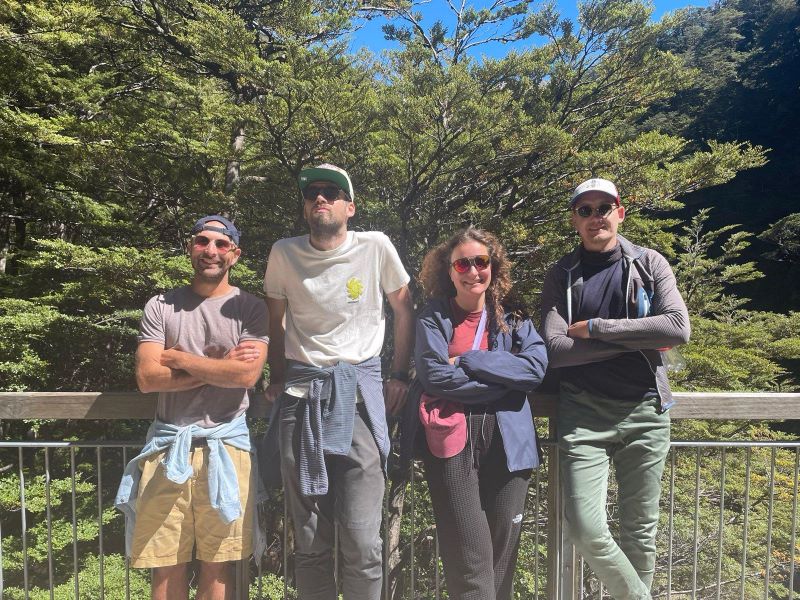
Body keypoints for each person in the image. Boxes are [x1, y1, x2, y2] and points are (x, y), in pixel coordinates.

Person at [262, 163, 414, 599]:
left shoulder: (375, 247)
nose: (320, 198)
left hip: (360, 398)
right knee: (309, 540)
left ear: (350, 206)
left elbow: (404, 310)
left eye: (331, 191)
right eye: (312, 193)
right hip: (300, 396)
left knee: (364, 539)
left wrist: (399, 375)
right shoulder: (283, 252)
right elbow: (275, 321)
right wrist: (276, 377)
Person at [540, 178, 691, 600]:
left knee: (641, 529)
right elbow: (555, 350)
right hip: (583, 414)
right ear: (574, 219)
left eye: (603, 207)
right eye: (584, 210)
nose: (595, 217)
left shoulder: (649, 264)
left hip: (646, 410)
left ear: (620, 212)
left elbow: (678, 329)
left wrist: (596, 329)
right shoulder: (562, 274)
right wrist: (635, 341)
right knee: (586, 527)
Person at [115, 215, 269, 600]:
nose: (210, 251)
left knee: (219, 566)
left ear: (235, 254)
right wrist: (220, 367)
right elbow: (148, 378)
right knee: (166, 566)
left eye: (220, 244)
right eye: (202, 242)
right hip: (169, 448)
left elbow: (247, 376)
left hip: (227, 448)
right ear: (190, 248)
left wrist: (181, 360)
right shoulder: (161, 305)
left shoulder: (251, 308)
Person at [407, 227, 548, 600]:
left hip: (510, 440)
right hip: (452, 440)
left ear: (493, 266)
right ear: (449, 271)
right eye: (463, 263)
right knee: (470, 560)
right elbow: (436, 377)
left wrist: (469, 359)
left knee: (501, 559)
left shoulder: (513, 317)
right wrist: (503, 381)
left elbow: (533, 370)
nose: (473, 270)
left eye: (481, 261)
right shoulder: (433, 317)